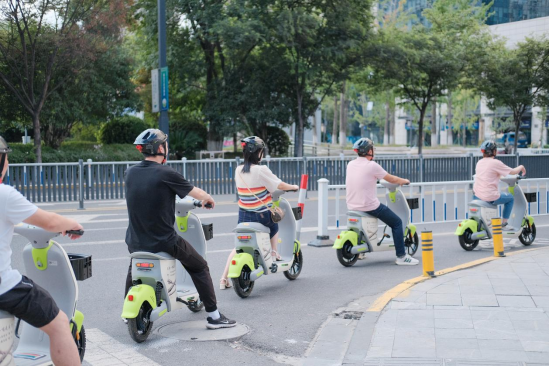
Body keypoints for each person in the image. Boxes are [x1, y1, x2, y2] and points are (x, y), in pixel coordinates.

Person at [124, 129, 236, 330]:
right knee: (199, 266)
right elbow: (196, 192)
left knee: (135, 266)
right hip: (164, 241)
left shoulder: (130, 172)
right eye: (165, 144)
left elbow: (153, 197)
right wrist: (207, 199)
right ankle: (214, 316)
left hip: (135, 240)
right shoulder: (166, 173)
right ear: (160, 148)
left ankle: (127, 311)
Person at [0, 136, 84, 366]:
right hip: (3, 288)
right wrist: (71, 224)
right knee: (59, 324)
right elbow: (49, 222)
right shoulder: (4, 195)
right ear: (2, 161)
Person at [219, 137, 299, 290]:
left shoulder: (238, 170)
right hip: (261, 216)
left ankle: (223, 279)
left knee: (239, 247)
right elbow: (278, 184)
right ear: (259, 153)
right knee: (274, 225)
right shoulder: (261, 170)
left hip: (243, 216)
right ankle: (274, 253)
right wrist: (294, 187)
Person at [346, 138, 419, 266]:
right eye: (372, 149)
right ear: (369, 151)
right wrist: (404, 181)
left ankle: (362, 251)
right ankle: (401, 256)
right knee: (397, 222)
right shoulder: (372, 166)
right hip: (369, 206)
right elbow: (391, 178)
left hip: (352, 205)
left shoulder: (350, 164)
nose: (373, 151)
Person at [473, 140, 527, 231]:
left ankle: (489, 222)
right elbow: (512, 172)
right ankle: (504, 223)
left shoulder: (479, 162)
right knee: (510, 198)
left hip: (478, 195)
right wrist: (521, 167)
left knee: (498, 195)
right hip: (489, 196)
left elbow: (489, 174)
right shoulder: (495, 163)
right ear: (493, 151)